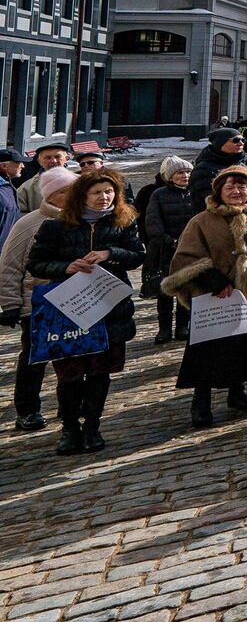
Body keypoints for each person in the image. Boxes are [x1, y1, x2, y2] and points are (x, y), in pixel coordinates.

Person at [27, 169, 144, 454]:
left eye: (109, 192)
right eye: (96, 193)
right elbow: (37, 263)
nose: (104, 198)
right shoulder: (57, 226)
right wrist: (65, 267)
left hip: (108, 309)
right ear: (82, 196)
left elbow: (138, 256)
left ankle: (92, 426)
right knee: (69, 374)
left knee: (99, 373)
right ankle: (69, 428)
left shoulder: (123, 223)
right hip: (69, 310)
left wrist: (110, 254)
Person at [161, 165, 247, 427]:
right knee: (207, 352)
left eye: (242, 186)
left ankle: (237, 392)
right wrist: (213, 279)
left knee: (243, 347)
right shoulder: (202, 221)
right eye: (230, 187)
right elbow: (186, 258)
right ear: (219, 192)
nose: (237, 191)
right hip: (215, 298)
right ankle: (200, 403)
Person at [1, 167, 77, 433]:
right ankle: (27, 410)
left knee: (71, 357)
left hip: (75, 302)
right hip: (36, 302)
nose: (69, 196)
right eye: (62, 192)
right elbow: (10, 266)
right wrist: (10, 304)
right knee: (34, 359)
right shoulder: (29, 223)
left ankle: (68, 406)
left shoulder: (83, 220)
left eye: (72, 190)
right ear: (51, 195)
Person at [141, 157, 197, 343]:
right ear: (170, 176)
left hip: (189, 250)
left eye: (188, 172)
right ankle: (164, 328)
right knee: (165, 291)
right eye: (180, 173)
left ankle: (183, 326)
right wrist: (167, 240)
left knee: (187, 289)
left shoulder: (195, 193)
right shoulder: (159, 194)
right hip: (165, 250)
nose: (185, 176)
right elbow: (152, 222)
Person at [187, 127, 247, 215]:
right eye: (236, 140)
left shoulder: (243, 163)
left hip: (245, 215)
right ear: (220, 144)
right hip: (213, 219)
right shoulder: (204, 169)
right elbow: (212, 199)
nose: (240, 143)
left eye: (243, 140)